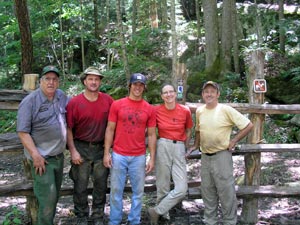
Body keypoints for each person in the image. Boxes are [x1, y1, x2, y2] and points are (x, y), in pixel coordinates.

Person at [186, 81, 254, 225]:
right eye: (206, 92)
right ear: (202, 95)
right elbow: (199, 130)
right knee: (208, 190)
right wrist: (196, 145)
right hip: (205, 157)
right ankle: (210, 220)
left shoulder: (225, 110)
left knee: (226, 191)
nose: (209, 94)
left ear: (218, 94)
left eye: (212, 91)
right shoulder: (200, 111)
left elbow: (248, 125)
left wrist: (234, 140)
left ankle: (229, 221)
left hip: (222, 156)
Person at [17, 65, 68, 225]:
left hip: (58, 157)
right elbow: (23, 132)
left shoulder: (61, 96)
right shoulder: (30, 102)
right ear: (40, 81)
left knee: (54, 198)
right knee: (48, 201)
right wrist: (35, 155)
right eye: (47, 79)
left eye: (54, 79)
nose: (51, 82)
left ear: (58, 82)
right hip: (42, 160)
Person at [103, 73, 157, 225]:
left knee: (138, 193)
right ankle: (114, 221)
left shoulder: (149, 109)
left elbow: (152, 135)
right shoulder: (117, 104)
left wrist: (151, 158)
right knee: (116, 191)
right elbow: (110, 129)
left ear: (144, 88)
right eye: (135, 84)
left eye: (141, 85)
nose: (137, 88)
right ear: (130, 86)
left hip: (138, 156)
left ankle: (134, 221)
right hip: (118, 154)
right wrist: (107, 152)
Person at [66, 67, 114, 225]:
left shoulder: (108, 100)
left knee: (100, 183)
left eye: (97, 79)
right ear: (84, 81)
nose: (94, 82)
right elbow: (68, 128)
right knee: (80, 184)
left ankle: (98, 215)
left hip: (101, 148)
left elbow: (113, 125)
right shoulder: (75, 102)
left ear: (100, 82)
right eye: (90, 79)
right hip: (81, 147)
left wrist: (109, 150)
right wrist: (73, 151)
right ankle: (81, 215)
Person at [147, 84, 193, 225]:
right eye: (165, 93)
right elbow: (152, 132)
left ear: (175, 93)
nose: (168, 95)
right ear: (162, 96)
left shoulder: (185, 110)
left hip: (179, 146)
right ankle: (163, 217)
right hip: (163, 145)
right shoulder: (156, 110)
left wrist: (184, 146)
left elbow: (189, 130)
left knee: (181, 188)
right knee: (162, 184)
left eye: (171, 92)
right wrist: (152, 155)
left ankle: (156, 211)